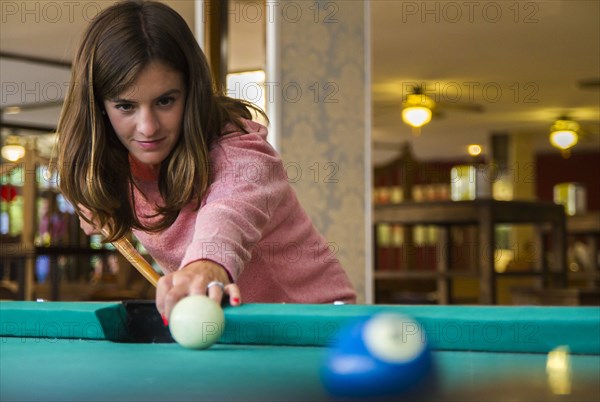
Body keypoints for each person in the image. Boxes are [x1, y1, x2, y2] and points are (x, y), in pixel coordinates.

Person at [56, 0, 356, 320]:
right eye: (126, 106)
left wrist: (205, 264)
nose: (148, 127)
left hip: (315, 325)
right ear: (99, 107)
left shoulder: (240, 152)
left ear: (192, 92)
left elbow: (228, 212)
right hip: (227, 325)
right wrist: (95, 195)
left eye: (165, 100)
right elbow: (93, 206)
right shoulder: (113, 168)